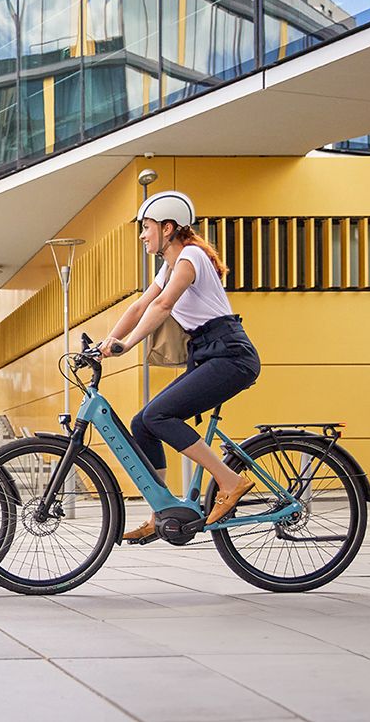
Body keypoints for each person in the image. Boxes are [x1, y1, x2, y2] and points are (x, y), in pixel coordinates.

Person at [99, 191, 261, 540]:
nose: (143, 235)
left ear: (168, 227)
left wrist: (126, 345)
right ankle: (162, 511)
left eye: (147, 227)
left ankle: (230, 481)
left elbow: (162, 307)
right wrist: (104, 344)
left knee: (159, 415)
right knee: (142, 422)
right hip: (207, 353)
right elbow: (140, 306)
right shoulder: (170, 264)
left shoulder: (190, 257)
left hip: (230, 354)